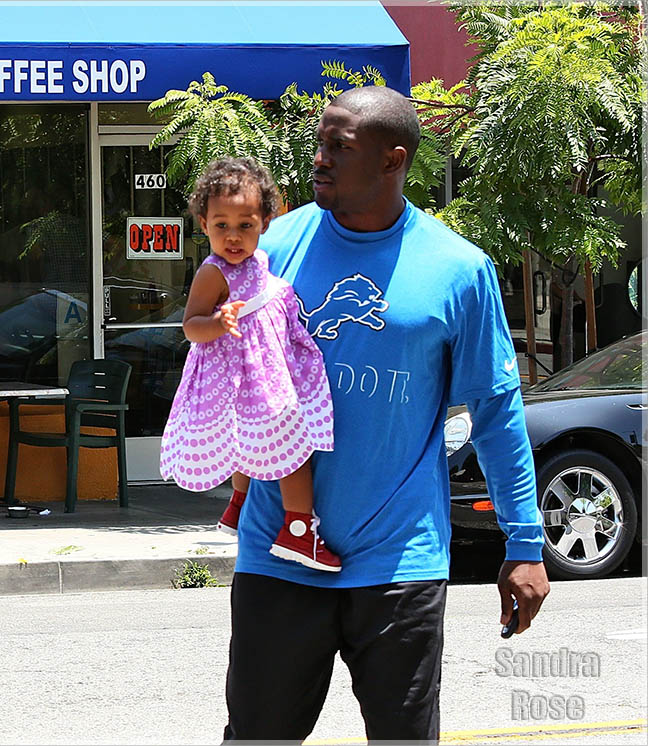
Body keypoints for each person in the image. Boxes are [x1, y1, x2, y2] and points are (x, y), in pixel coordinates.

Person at [222, 86, 550, 742]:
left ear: (392, 159)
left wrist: (524, 542)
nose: (318, 159)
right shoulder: (273, 250)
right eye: (319, 143)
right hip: (279, 552)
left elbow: (495, 412)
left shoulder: (458, 269)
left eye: (337, 148)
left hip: (399, 561)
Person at [160, 157, 338, 570]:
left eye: (246, 225)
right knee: (292, 447)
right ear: (203, 224)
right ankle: (297, 530)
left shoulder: (259, 260)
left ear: (265, 222)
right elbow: (190, 327)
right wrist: (218, 322)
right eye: (222, 225)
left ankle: (238, 506)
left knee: (250, 442)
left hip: (265, 367)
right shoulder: (213, 272)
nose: (234, 236)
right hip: (241, 373)